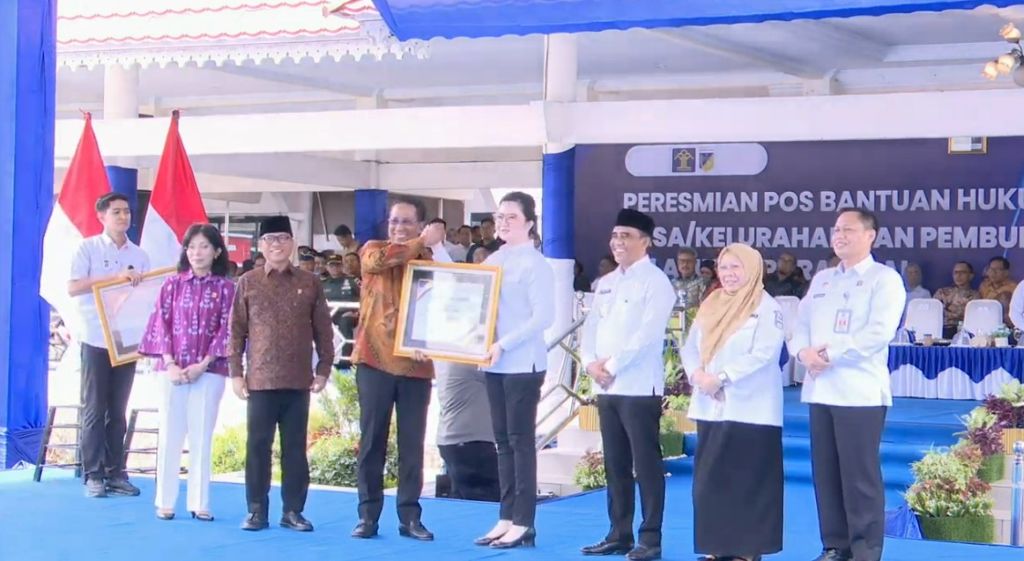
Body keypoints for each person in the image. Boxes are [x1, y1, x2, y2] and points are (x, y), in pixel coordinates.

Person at [791, 208, 905, 561]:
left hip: (859, 392)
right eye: (836, 230)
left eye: (848, 230)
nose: (839, 236)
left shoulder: (884, 279)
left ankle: (865, 550)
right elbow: (800, 324)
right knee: (826, 473)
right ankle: (835, 545)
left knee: (859, 476)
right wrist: (803, 352)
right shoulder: (823, 279)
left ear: (870, 236)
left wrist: (831, 354)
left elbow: (879, 332)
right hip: (820, 389)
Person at [350, 198, 449, 541]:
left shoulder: (429, 262)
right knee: (371, 442)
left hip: (415, 365)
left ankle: (410, 517)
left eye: (407, 222)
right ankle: (367, 516)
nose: (399, 227)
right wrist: (423, 240)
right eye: (394, 221)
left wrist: (435, 340)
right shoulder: (373, 249)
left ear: (419, 224)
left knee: (412, 445)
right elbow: (383, 261)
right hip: (373, 360)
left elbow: (448, 303)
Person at [579, 209, 676, 561]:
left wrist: (612, 366)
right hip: (607, 387)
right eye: (615, 236)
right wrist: (590, 363)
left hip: (637, 386)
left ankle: (650, 538)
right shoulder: (606, 282)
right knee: (615, 463)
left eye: (627, 236)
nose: (618, 242)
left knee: (646, 464)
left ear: (645, 242)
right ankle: (618, 532)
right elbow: (590, 327)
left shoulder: (656, 282)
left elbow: (647, 335)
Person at [228, 216, 335, 532]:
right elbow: (236, 331)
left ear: (292, 243)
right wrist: (236, 373)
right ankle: (256, 511)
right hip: (259, 381)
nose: (277, 244)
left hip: (298, 380)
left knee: (295, 450)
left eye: (283, 238)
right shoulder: (248, 281)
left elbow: (324, 330)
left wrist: (324, 369)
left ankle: (293, 511)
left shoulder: (310, 282)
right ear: (261, 245)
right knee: (257, 448)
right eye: (270, 239)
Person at [682, 243, 785, 561]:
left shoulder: (766, 307)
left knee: (748, 481)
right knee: (711, 481)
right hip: (711, 406)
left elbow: (764, 353)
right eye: (723, 267)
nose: (728, 274)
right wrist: (698, 375)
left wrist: (721, 378)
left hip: (752, 409)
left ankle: (747, 550)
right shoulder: (711, 303)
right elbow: (690, 347)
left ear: (752, 269)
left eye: (735, 267)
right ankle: (717, 547)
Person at [473, 192, 555, 550]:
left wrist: (503, 343)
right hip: (495, 363)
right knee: (502, 443)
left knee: (521, 443)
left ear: (529, 223)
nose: (503, 223)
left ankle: (524, 520)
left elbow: (544, 317)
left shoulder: (536, 264)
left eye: (511, 217)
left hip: (523, 364)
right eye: (499, 216)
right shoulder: (494, 258)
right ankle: (506, 515)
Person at [139, 224, 235, 522]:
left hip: (210, 371)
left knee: (201, 436)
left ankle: (200, 502)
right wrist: (169, 363)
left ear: (216, 251)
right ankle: (165, 501)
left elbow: (228, 329)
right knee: (170, 434)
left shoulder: (227, 288)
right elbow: (160, 324)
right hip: (172, 371)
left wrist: (203, 364)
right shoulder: (172, 284)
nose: (197, 253)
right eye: (191, 247)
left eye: (204, 246)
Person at [67, 192, 151, 498]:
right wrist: (114, 278)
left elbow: (145, 295)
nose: (123, 217)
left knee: (118, 408)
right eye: (116, 212)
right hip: (95, 337)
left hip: (125, 340)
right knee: (94, 407)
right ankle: (93, 473)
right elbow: (73, 287)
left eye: (127, 211)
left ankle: (116, 472)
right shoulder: (87, 248)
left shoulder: (139, 255)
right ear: (102, 216)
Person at [436, 361, 499, 502]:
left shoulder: (443, 362)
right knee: (487, 498)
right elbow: (500, 374)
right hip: (470, 441)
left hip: (453, 440)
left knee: (463, 499)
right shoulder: (465, 363)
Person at [322, 254, 360, 368]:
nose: (334, 268)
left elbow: (365, 297)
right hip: (328, 315)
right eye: (331, 265)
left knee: (345, 321)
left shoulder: (352, 281)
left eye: (337, 265)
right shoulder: (322, 283)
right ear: (326, 267)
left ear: (342, 266)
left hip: (349, 315)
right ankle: (322, 358)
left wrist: (357, 312)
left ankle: (345, 361)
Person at [933, 262, 980, 338]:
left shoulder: (975, 295)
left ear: (971, 276)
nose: (958, 276)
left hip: (965, 331)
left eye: (963, 272)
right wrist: (956, 311)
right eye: (956, 272)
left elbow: (969, 315)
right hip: (942, 329)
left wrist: (948, 310)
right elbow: (935, 311)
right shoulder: (942, 292)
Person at [979, 256, 1015, 325]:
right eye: (991, 269)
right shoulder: (984, 286)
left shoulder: (1013, 287)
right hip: (985, 321)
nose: (993, 272)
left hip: (1005, 324)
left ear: (1006, 272)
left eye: (997, 269)